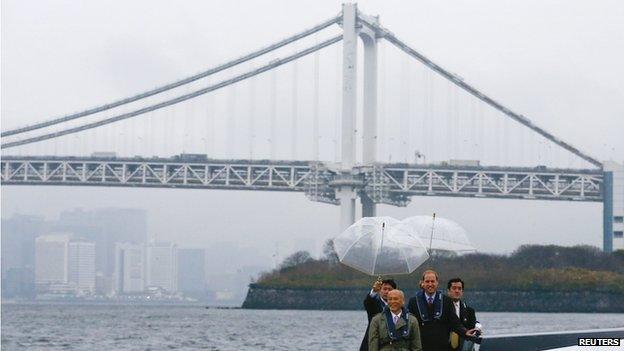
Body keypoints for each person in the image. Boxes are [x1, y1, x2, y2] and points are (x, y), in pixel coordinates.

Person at [407, 270, 478, 351]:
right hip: (421, 347)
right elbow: (410, 325)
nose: (430, 284)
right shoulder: (413, 301)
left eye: (432, 281)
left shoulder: (446, 301)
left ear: (437, 283)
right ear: (422, 283)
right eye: (427, 281)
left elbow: (454, 322)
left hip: (441, 346)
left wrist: (465, 332)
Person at [360, 278, 397, 351]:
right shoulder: (374, 304)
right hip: (372, 343)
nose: (387, 291)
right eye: (384, 289)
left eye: (390, 289)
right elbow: (368, 302)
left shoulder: (398, 306)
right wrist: (374, 291)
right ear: (380, 290)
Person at [446, 278, 482, 351]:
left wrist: (477, 329)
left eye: (459, 289)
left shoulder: (469, 311)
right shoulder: (441, 309)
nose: (457, 291)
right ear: (448, 291)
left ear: (462, 292)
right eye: (454, 288)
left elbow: (472, 332)